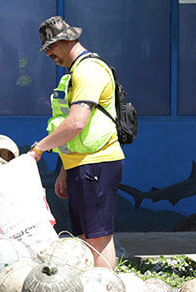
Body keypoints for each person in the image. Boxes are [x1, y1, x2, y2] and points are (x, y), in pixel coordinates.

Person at [27, 16, 125, 269]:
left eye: (52, 45)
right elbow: (74, 132)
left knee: (98, 237)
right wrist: (64, 170)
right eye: (46, 47)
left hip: (96, 164)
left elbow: (76, 123)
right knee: (85, 235)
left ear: (69, 39)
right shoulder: (75, 72)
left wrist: (39, 148)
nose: (48, 52)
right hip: (81, 165)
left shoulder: (88, 70)